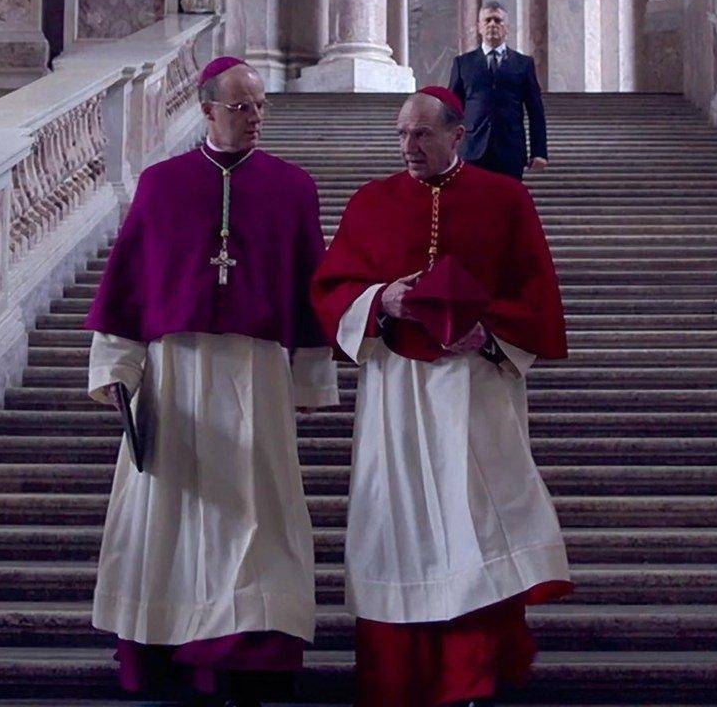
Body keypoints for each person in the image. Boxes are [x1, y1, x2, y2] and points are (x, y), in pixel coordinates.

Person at [84, 55, 338, 707]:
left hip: (258, 373)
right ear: (206, 109)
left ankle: (254, 650)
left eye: (260, 106)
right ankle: (171, 648)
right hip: (175, 376)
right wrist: (117, 370)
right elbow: (130, 285)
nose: (254, 118)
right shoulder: (161, 185)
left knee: (263, 514)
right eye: (240, 107)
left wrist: (312, 379)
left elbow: (312, 286)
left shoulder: (293, 187)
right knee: (171, 516)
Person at [311, 85, 571, 707]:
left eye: (422, 134)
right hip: (395, 391)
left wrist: (491, 329)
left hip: (476, 387)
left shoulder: (505, 199)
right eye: (401, 134)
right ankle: (397, 677)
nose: (409, 146)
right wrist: (381, 299)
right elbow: (330, 287)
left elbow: (538, 293)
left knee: (477, 522)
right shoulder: (370, 202)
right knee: (394, 523)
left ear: (459, 135)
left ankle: (473, 673)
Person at [446, 2, 550, 179]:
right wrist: (447, 149)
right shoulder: (463, 63)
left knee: (508, 204)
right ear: (479, 27)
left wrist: (539, 152)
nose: (492, 24)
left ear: (507, 27)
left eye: (498, 20)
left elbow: (535, 111)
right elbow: (451, 110)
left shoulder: (524, 64)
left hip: (510, 150)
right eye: (487, 20)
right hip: (472, 149)